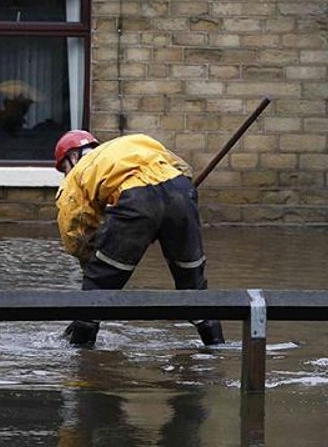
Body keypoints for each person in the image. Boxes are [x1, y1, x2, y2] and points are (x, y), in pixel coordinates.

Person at [53, 130, 224, 347]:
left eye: (64, 168)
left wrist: (93, 263)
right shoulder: (137, 141)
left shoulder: (78, 174)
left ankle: (81, 354)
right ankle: (217, 348)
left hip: (136, 201)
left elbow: (74, 230)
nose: (66, 174)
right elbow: (182, 169)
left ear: (73, 157)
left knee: (95, 292)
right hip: (181, 191)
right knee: (194, 288)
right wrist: (165, 215)